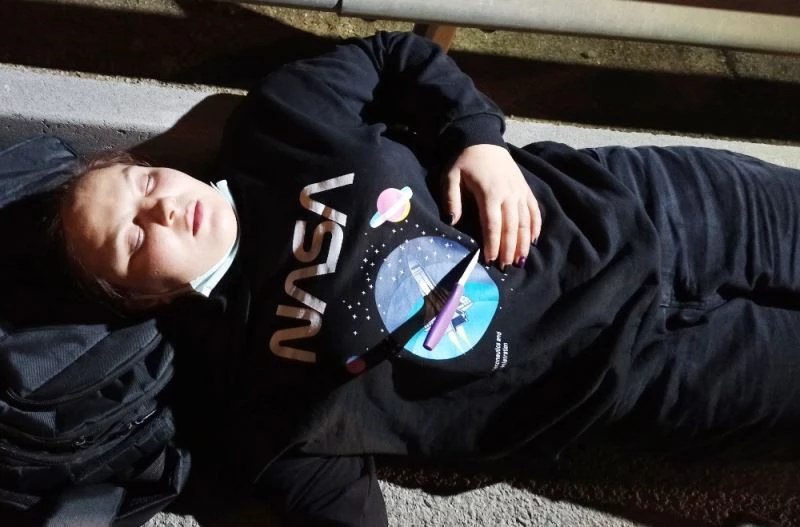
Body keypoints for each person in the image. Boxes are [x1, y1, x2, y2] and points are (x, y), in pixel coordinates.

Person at [52, 31, 800, 526]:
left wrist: (477, 140)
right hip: (641, 373)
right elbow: (332, 506)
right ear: (145, 296)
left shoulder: (278, 123)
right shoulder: (244, 387)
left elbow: (393, 56)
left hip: (657, 206)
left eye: (142, 182)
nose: (161, 208)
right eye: (131, 238)